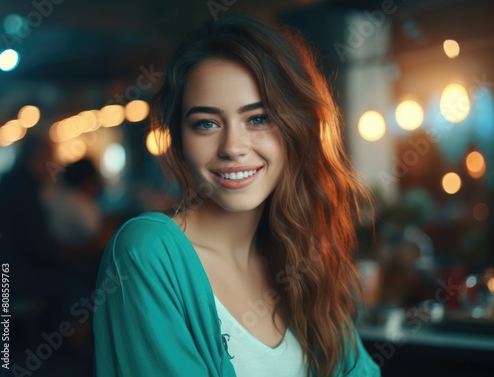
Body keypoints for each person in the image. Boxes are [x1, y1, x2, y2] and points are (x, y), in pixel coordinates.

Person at [93, 15, 380, 377]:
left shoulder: (297, 253)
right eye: (206, 123)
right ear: (179, 140)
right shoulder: (147, 253)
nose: (232, 147)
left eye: (258, 119)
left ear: (297, 126)